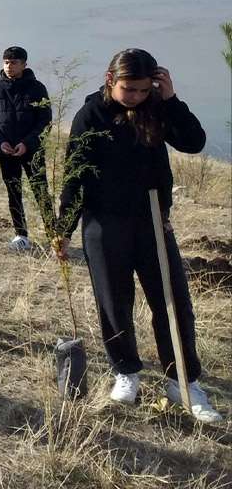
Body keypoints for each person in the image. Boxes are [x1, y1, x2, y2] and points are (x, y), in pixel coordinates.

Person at [55, 50, 221, 424]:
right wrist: (63, 230)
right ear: (110, 80)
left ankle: (182, 381)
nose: (135, 97)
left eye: (144, 90)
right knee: (114, 301)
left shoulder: (157, 109)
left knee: (173, 301)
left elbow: (193, 142)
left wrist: (171, 100)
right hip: (103, 223)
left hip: (152, 220)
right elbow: (75, 174)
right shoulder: (90, 115)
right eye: (129, 89)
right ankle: (126, 372)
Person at [0, 46, 53, 251]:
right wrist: (0, 142)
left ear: (24, 64)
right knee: (13, 192)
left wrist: (27, 143)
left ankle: (54, 235)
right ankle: (21, 235)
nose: (9, 66)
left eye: (14, 62)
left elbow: (45, 121)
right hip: (6, 151)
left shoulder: (37, 88)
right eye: (6, 62)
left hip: (32, 150)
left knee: (41, 191)